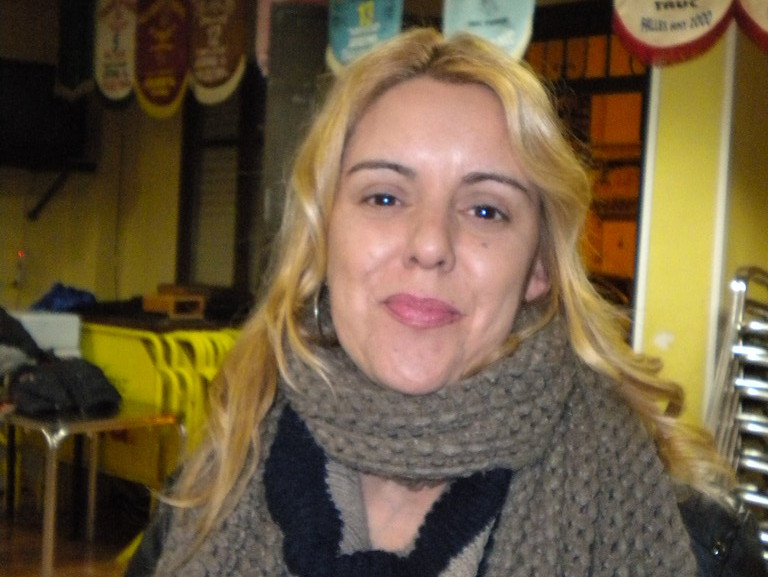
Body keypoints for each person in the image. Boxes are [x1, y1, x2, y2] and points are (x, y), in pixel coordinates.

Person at [126, 27, 766, 577]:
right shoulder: (211, 489)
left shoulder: (686, 533)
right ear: (323, 237)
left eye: (486, 209)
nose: (431, 244)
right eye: (384, 197)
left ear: (539, 266)